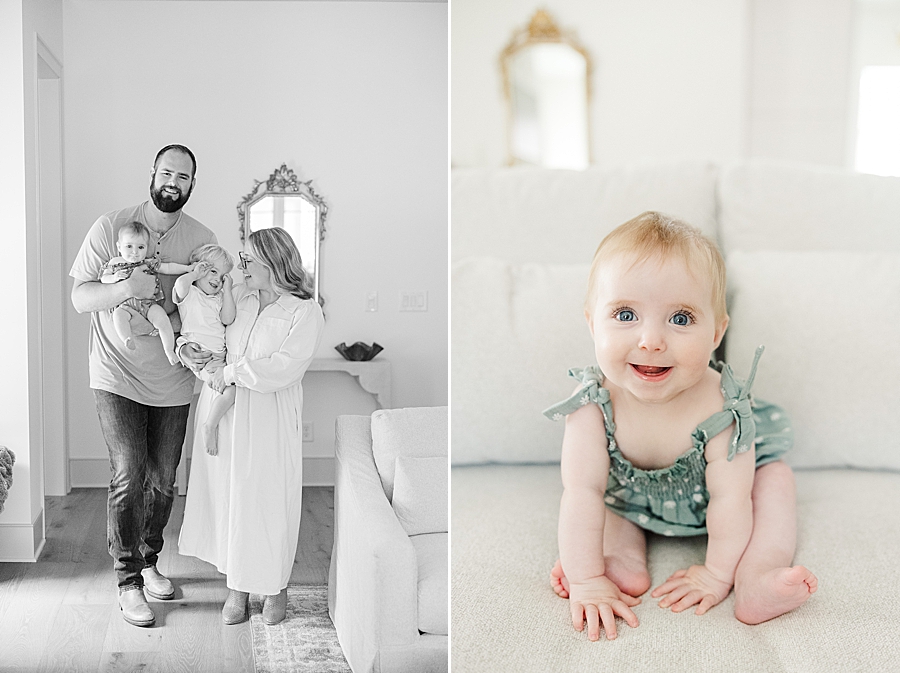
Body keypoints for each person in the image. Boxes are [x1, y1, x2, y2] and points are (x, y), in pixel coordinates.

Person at [543, 212, 818, 642]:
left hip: (726, 497)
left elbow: (731, 498)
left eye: (682, 319)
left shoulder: (722, 407)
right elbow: (581, 492)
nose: (651, 340)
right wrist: (585, 578)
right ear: (592, 323)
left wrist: (715, 574)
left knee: (776, 481)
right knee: (604, 505)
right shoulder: (592, 404)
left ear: (716, 333)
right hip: (633, 496)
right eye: (626, 313)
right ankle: (619, 560)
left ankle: (756, 575)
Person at [70, 144, 216, 627]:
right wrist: (122, 291)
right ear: (153, 174)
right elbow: (80, 297)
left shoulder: (200, 239)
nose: (174, 181)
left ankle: (151, 560)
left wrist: (189, 332)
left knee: (164, 479)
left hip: (173, 376)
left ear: (193, 184)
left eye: (185, 176)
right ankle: (128, 578)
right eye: (167, 171)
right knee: (129, 472)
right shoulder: (111, 226)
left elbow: (207, 299)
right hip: (115, 372)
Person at [178, 227, 324, 626]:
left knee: (267, 499)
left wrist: (231, 372)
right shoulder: (238, 298)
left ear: (272, 263)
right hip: (225, 411)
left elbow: (284, 368)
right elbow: (209, 332)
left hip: (267, 415)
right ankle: (237, 587)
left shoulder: (303, 311)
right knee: (231, 498)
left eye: (248, 261)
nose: (240, 267)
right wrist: (190, 351)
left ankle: (276, 585)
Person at [100, 221, 199, 364]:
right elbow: (103, 278)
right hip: (125, 305)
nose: (135, 252)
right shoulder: (115, 263)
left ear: (147, 247)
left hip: (148, 304)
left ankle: (169, 350)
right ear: (119, 247)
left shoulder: (147, 263)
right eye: (129, 246)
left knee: (162, 320)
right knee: (118, 316)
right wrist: (113, 278)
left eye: (141, 247)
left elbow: (169, 268)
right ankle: (127, 338)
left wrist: (187, 269)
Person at [173, 243, 237, 455]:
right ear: (199, 268)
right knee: (232, 390)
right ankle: (210, 425)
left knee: (237, 385)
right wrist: (193, 273)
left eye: (223, 276)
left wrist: (227, 291)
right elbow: (181, 285)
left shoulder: (219, 297)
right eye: (213, 271)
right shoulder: (189, 293)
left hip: (221, 357)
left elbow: (228, 318)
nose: (217, 280)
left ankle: (212, 424)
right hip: (202, 356)